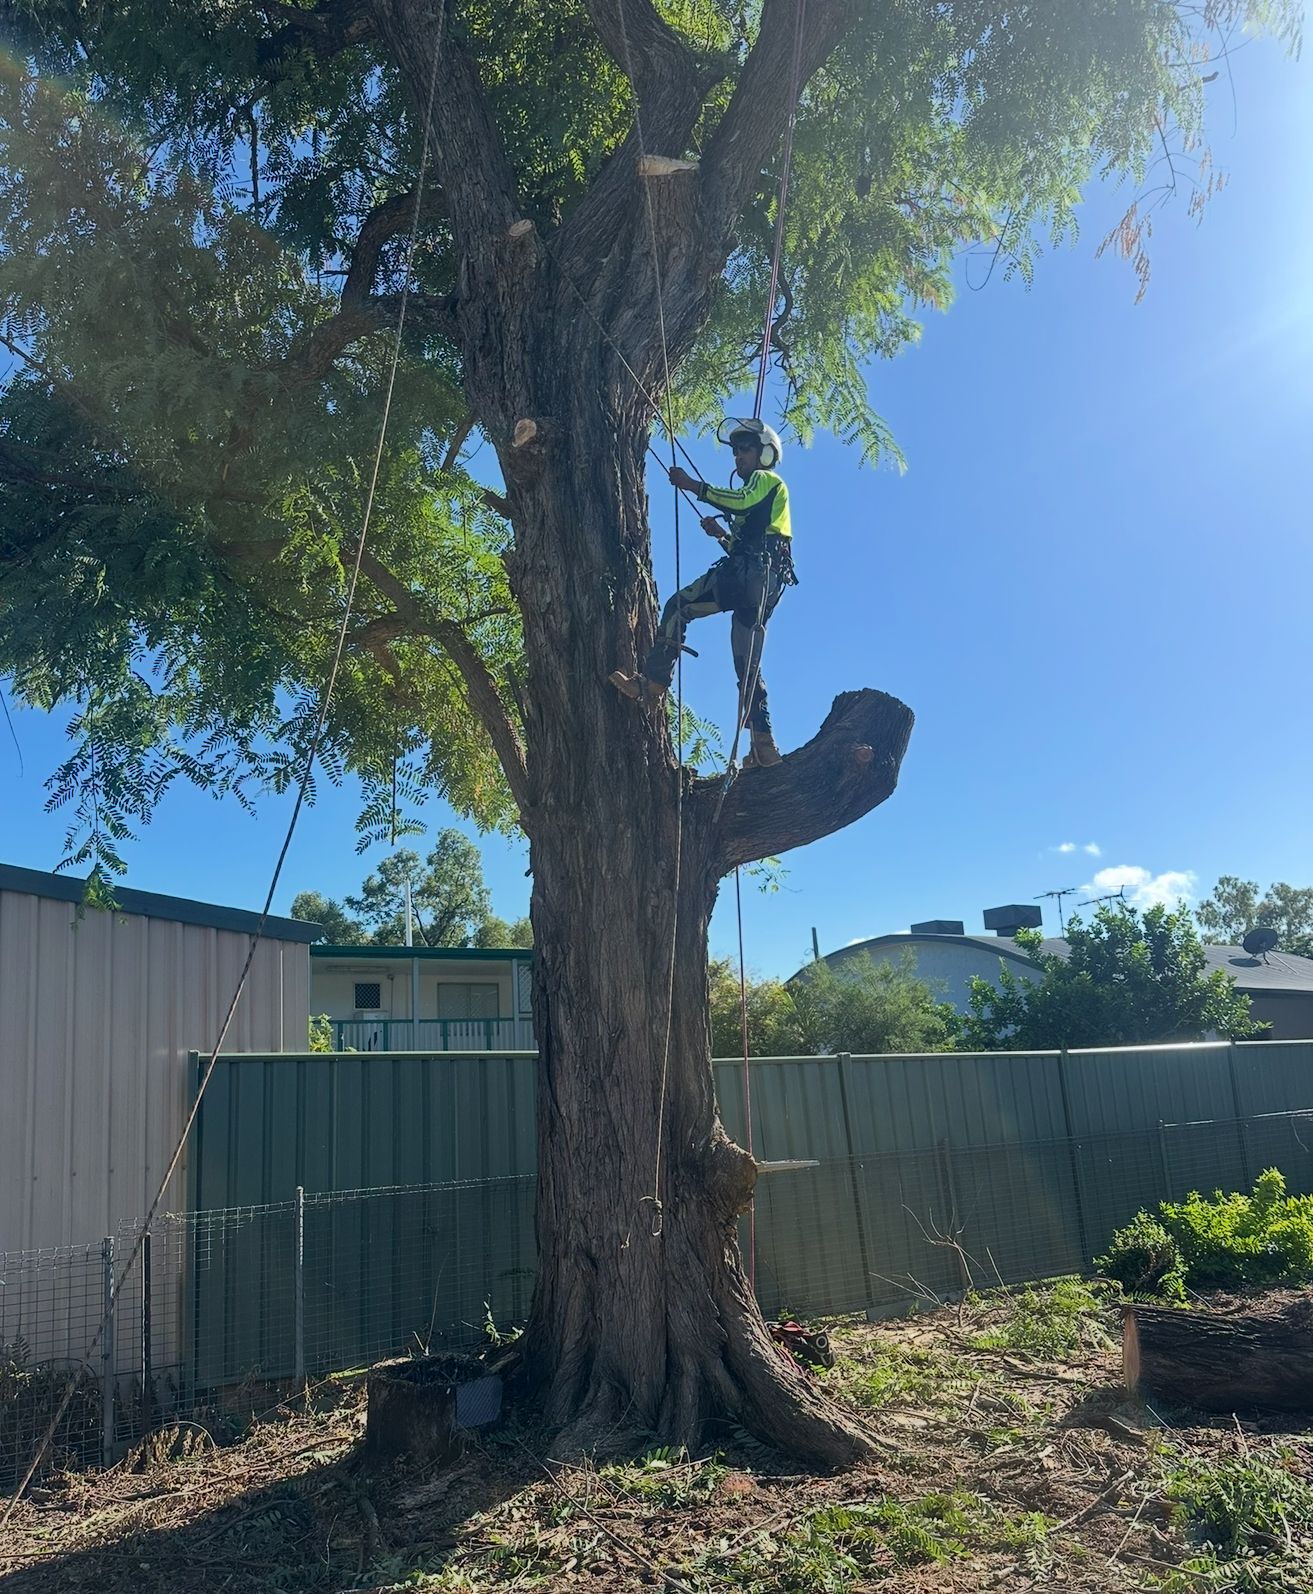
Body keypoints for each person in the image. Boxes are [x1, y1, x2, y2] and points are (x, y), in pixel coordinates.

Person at [609, 418, 795, 768]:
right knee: (746, 665)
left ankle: (653, 683)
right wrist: (721, 537)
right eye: (736, 451)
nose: (739, 456)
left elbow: (740, 502)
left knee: (678, 607)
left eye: (746, 449)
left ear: (765, 454)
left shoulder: (766, 481)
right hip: (758, 584)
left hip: (751, 575)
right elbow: (744, 543)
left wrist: (694, 486)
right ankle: (764, 745)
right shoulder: (762, 504)